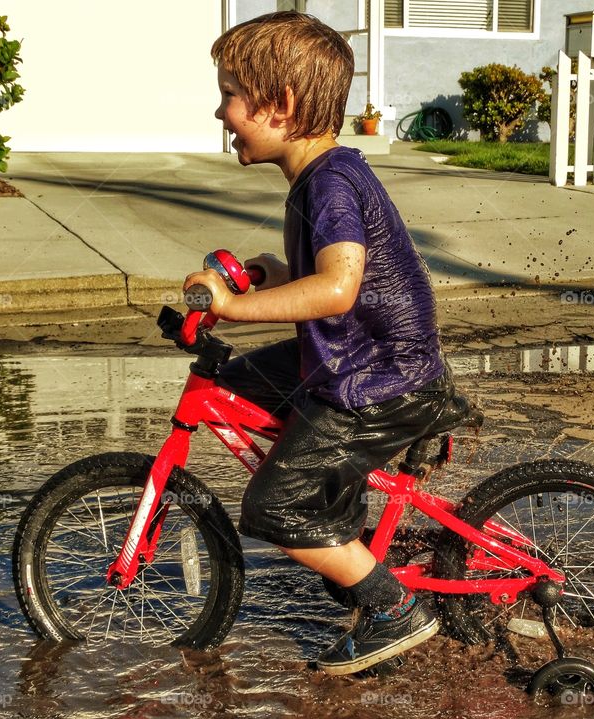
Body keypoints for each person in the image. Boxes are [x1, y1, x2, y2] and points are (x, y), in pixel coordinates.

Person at [183, 10, 468, 676]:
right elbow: (331, 284)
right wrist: (267, 280)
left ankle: (393, 605)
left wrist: (234, 304)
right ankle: (342, 517)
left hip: (377, 380)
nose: (221, 111)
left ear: (279, 107)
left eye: (230, 94)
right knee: (238, 380)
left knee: (272, 504)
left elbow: (339, 288)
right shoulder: (322, 177)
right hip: (358, 362)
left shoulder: (331, 184)